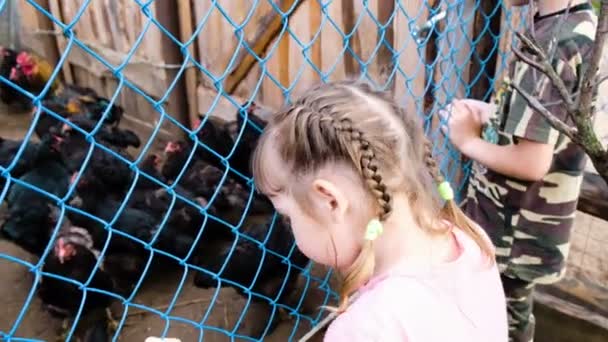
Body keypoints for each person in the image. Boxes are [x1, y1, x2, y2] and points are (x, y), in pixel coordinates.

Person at [251, 79, 509, 341]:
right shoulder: (471, 238)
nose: (288, 225)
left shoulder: (367, 327)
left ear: (330, 201)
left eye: (286, 215)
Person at [441, 1, 598, 341]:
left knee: (498, 327)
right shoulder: (581, 26)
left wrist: (466, 141)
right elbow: (552, 123)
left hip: (511, 234)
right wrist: (493, 114)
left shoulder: (553, 46)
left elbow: (532, 162)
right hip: (529, 225)